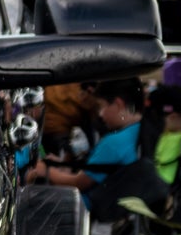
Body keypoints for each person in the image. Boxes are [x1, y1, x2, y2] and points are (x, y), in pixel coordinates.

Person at [27, 77, 169, 219]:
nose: (100, 114)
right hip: (128, 210)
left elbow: (78, 183)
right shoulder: (146, 130)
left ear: (118, 104)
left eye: (102, 106)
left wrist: (46, 170)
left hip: (89, 209)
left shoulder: (114, 142)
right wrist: (61, 165)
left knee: (30, 203)